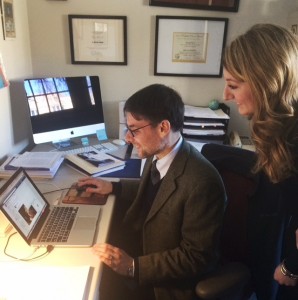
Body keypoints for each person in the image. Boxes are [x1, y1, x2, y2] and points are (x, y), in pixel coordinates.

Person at [78, 83, 226, 300]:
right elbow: (159, 192)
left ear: (163, 128)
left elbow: (196, 257)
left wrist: (133, 267)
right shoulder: (159, 154)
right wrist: (114, 186)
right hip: (140, 248)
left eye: (134, 130)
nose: (128, 138)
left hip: (159, 281)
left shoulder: (203, 182)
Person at [222, 23, 298, 299]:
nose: (225, 96)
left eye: (233, 85)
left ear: (265, 82)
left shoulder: (293, 139)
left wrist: (291, 267)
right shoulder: (279, 127)